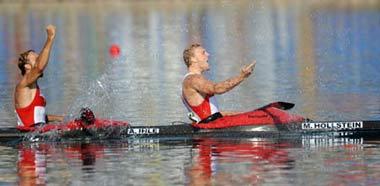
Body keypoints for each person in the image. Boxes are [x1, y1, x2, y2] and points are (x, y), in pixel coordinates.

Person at [181, 43, 255, 123]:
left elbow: (213, 115)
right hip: (209, 129)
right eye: (203, 52)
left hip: (209, 125)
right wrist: (241, 76)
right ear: (193, 59)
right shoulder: (193, 79)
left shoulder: (190, 79)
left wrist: (245, 114)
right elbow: (216, 89)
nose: (208, 54)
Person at [14, 25, 64, 132]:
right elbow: (39, 67)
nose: (39, 58)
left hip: (37, 133)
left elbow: (38, 115)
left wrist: (61, 118)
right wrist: (50, 38)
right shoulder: (23, 84)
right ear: (27, 66)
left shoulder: (32, 86)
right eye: (35, 58)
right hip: (29, 141)